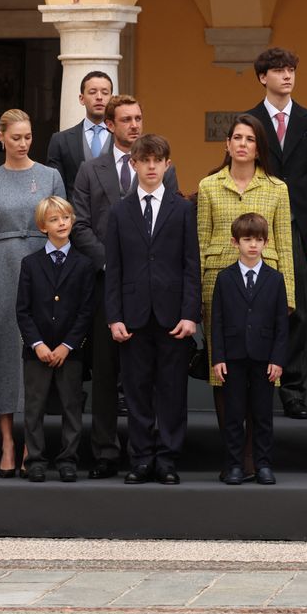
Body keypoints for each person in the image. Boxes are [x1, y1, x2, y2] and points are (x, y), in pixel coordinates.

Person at [71, 94, 178, 480]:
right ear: (110, 125)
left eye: (138, 118)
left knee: (147, 374)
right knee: (105, 369)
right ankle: (104, 451)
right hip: (106, 281)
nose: (134, 125)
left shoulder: (163, 165)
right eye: (126, 120)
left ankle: (150, 452)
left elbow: (171, 224)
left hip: (154, 290)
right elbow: (79, 224)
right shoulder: (89, 169)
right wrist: (111, 260)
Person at [197, 113, 293, 479]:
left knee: (262, 379)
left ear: (258, 147)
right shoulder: (209, 186)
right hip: (218, 287)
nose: (242, 144)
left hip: (267, 289)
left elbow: (283, 243)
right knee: (225, 375)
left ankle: (257, 457)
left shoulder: (276, 188)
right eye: (236, 137)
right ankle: (235, 457)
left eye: (249, 139)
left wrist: (289, 299)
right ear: (227, 144)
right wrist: (196, 297)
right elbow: (199, 241)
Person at [105, 133, 201, 485]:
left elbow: (192, 264)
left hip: (173, 314)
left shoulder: (184, 209)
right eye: (143, 160)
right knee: (137, 389)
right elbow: (113, 268)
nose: (149, 166)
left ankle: (168, 458)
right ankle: (142, 457)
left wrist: (190, 314)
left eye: (156, 160)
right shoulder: (119, 212)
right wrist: (114, 317)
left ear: (167, 165)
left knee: (173, 388)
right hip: (132, 315)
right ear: (133, 164)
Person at [0, 109, 65, 477]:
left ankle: (34, 443)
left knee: (36, 350)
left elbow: (63, 223)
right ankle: (8, 441)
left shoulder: (50, 176)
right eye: (16, 138)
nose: (23, 143)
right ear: (1, 138)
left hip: (43, 266)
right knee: (7, 353)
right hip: (3, 268)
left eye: (28, 137)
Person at [246, 48, 307, 420]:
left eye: (291, 69)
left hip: (300, 226)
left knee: (298, 311)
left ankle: (294, 391)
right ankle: (256, 386)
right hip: (258, 226)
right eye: (279, 70)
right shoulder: (249, 121)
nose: (287, 76)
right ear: (263, 76)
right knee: (255, 307)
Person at [16, 196, 95, 483]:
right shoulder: (31, 263)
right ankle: (35, 459)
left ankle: (68, 459)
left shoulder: (84, 265)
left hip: (69, 351)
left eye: (65, 217)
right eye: (54, 219)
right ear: (42, 226)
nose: (61, 223)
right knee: (34, 407)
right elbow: (22, 310)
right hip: (36, 351)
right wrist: (37, 344)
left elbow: (86, 311)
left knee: (71, 406)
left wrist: (66, 345)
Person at [210, 213, 289, 486]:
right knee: (233, 414)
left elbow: (282, 324)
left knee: (262, 414)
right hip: (232, 356)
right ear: (235, 242)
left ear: (266, 243)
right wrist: (217, 357)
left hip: (264, 358)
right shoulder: (224, 278)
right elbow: (216, 321)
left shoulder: (275, 279)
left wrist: (278, 359)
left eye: (258, 240)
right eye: (247, 239)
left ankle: (263, 464)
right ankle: (234, 465)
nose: (253, 245)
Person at [46, 71, 113, 197]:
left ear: (111, 98)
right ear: (81, 99)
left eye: (105, 93)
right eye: (92, 92)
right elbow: (55, 189)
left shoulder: (124, 139)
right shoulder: (60, 140)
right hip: (75, 214)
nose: (99, 97)